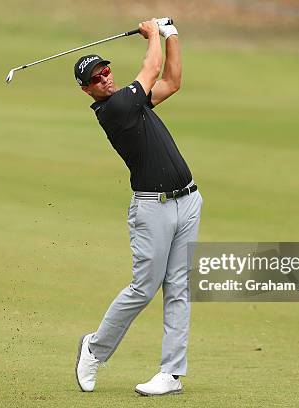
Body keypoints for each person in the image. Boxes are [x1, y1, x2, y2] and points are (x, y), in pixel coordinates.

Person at [73, 18, 203, 396]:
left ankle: (171, 374)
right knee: (144, 288)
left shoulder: (131, 100)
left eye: (106, 70)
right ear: (87, 90)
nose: (106, 78)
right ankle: (94, 350)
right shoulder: (113, 111)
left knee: (179, 288)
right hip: (152, 209)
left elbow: (172, 81)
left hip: (188, 200)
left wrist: (172, 33)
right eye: (97, 78)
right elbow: (152, 68)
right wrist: (152, 33)